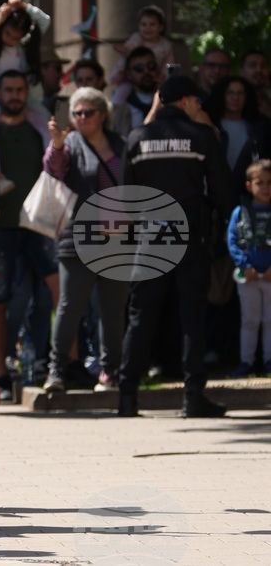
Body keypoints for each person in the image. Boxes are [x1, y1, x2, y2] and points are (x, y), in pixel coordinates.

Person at [118, 76, 234, 418]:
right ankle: (192, 397)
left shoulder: (137, 139)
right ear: (184, 101)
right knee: (191, 317)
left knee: (141, 317)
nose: (199, 106)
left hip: (150, 236)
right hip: (190, 237)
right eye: (196, 101)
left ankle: (127, 397)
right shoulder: (201, 137)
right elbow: (223, 192)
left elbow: (127, 198)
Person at [40, 87, 129, 393]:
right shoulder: (70, 144)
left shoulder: (121, 144)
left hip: (118, 240)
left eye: (88, 112)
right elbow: (53, 172)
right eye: (76, 113)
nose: (81, 117)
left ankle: (110, 372)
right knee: (69, 306)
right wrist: (57, 144)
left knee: (113, 309)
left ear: (102, 114)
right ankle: (57, 371)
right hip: (78, 239)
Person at [0, 70, 57, 401]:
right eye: (8, 89)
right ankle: (0, 373)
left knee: (57, 293)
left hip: (39, 224)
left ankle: (61, 366)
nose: (14, 95)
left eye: (19, 89)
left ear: (28, 92)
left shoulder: (41, 127)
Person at [0, 0, 51, 122]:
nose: (10, 39)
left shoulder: (25, 49)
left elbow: (45, 21)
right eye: (7, 33)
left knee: (44, 120)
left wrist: (24, 6)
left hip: (23, 99)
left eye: (16, 38)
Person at [227, 159, 271, 378]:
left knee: (270, 320)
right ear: (249, 185)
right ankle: (247, 362)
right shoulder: (239, 212)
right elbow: (232, 241)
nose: (265, 188)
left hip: (270, 276)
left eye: (269, 183)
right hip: (249, 277)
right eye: (259, 182)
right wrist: (245, 265)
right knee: (250, 321)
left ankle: (269, 361)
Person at [203, 76, 266, 198]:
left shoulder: (259, 128)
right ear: (222, 95)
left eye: (240, 93)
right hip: (215, 191)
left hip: (247, 192)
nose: (235, 97)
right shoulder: (210, 125)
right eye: (230, 93)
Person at [110, 5, 175, 103]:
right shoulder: (136, 39)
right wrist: (123, 50)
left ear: (161, 27)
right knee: (122, 91)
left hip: (154, 78)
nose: (147, 28)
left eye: (152, 24)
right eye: (143, 24)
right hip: (133, 80)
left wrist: (164, 76)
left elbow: (169, 64)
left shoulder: (165, 45)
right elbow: (127, 51)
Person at [115, 46, 160, 134]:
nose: (146, 72)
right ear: (129, 74)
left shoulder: (167, 102)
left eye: (151, 66)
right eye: (139, 68)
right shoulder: (123, 107)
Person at [240, 50, 271, 120]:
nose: (259, 70)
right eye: (252, 65)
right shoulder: (235, 103)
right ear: (242, 72)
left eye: (263, 66)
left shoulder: (268, 99)